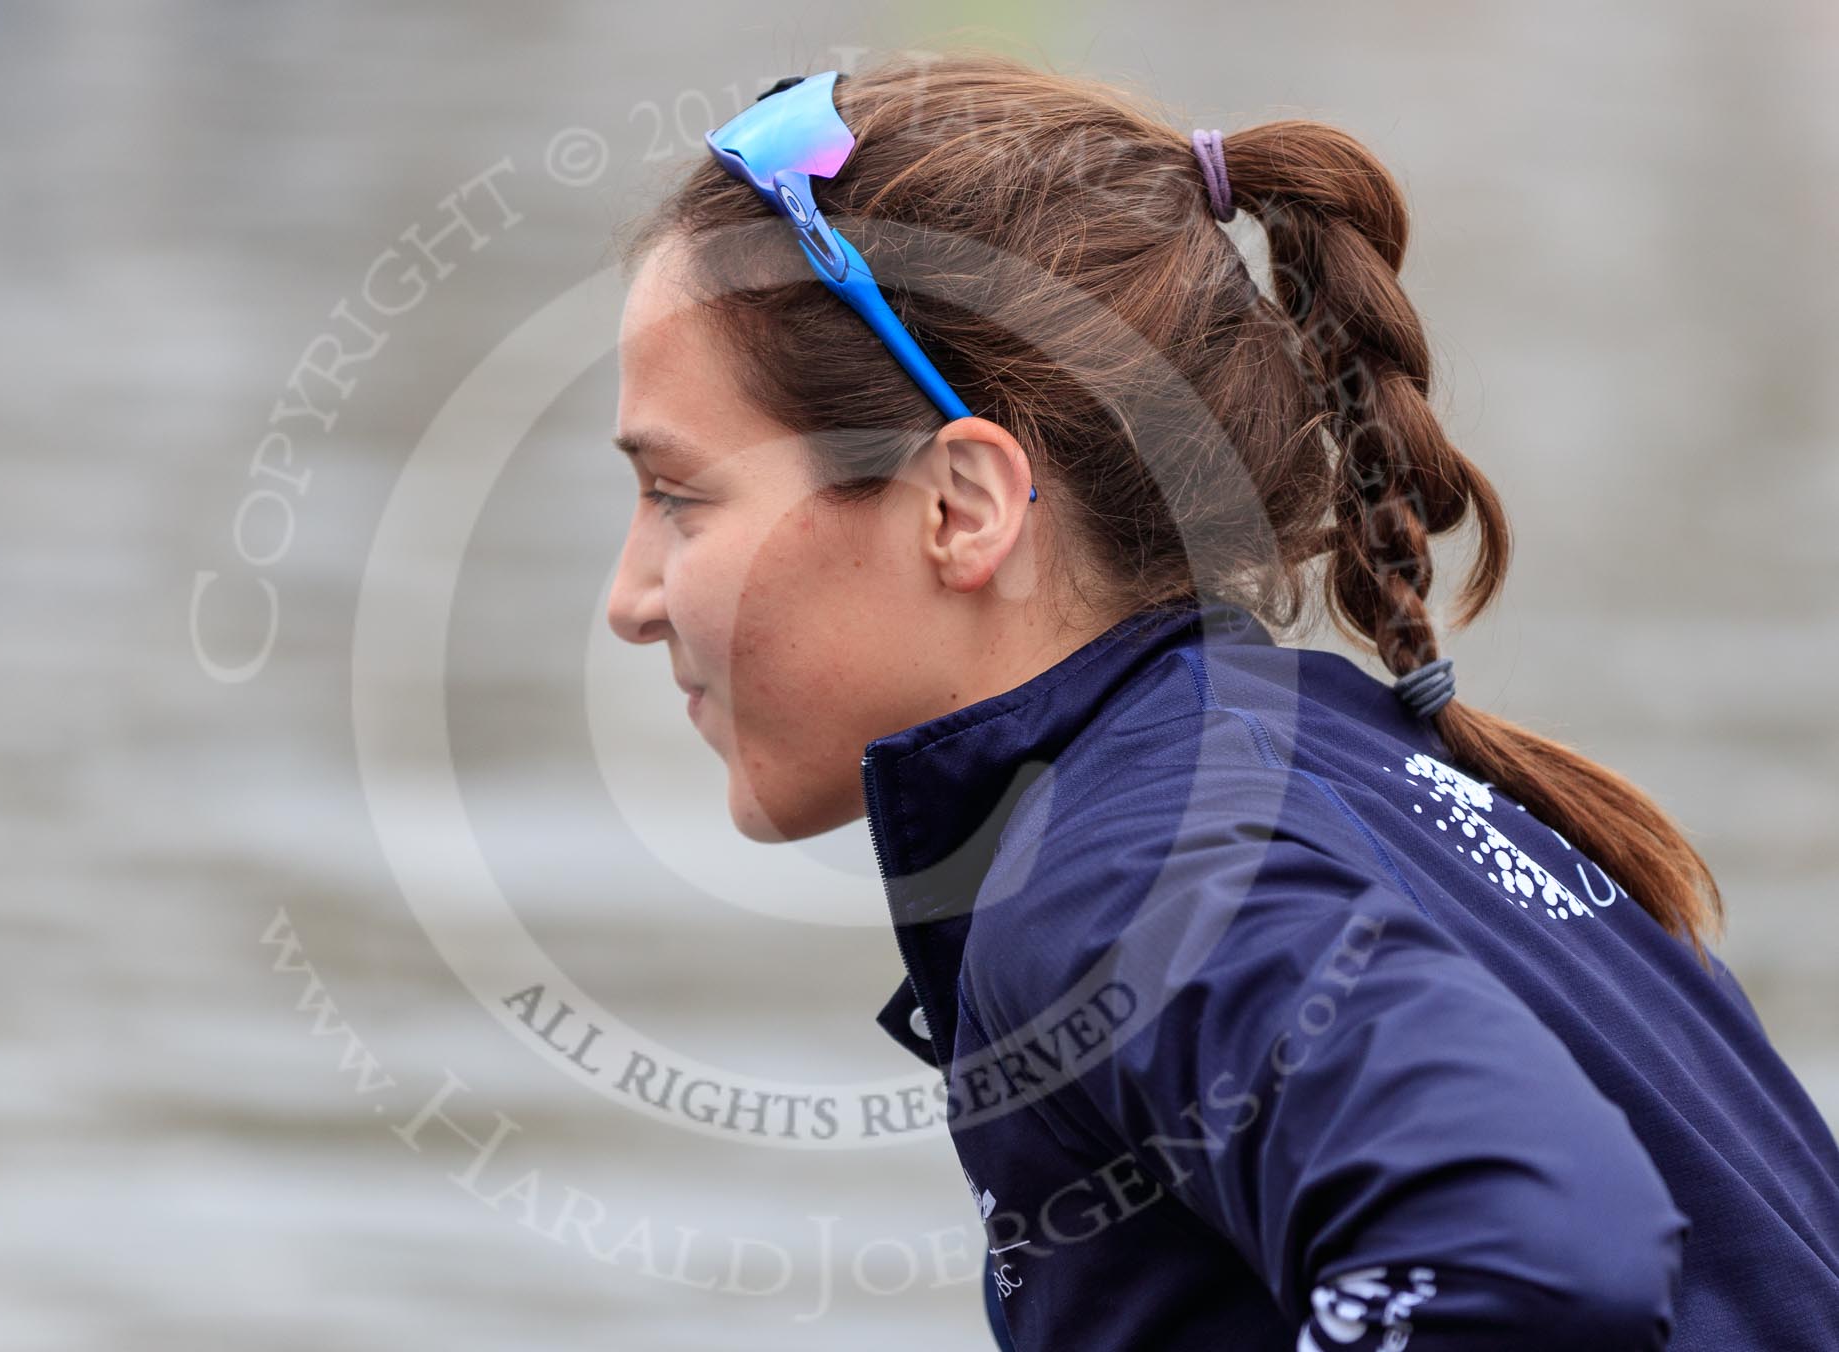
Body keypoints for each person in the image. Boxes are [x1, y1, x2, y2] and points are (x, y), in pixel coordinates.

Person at [603, 50, 1839, 1350]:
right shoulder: (1337, 774)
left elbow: (1535, 1255)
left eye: (679, 496)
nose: (633, 596)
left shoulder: (1119, 868)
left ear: (958, 508)